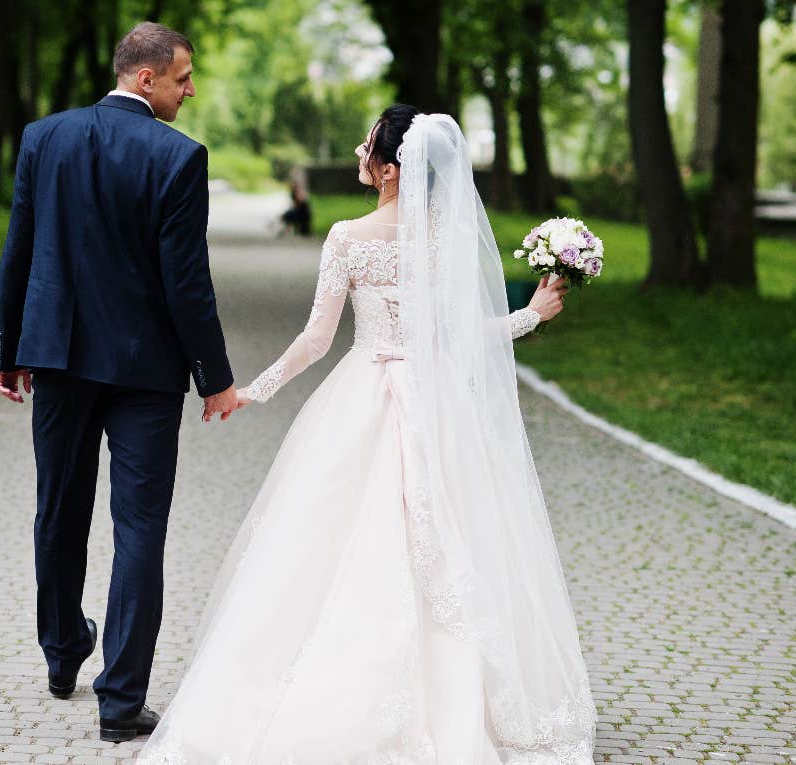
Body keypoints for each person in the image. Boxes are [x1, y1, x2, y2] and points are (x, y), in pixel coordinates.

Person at [137, 108, 597, 763]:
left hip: (366, 395)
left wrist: (251, 390)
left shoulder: (348, 237)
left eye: (369, 141)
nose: (358, 147)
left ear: (386, 166)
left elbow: (317, 339)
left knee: (341, 540)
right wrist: (529, 314)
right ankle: (464, 702)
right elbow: (462, 334)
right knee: (452, 542)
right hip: (438, 408)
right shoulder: (444, 238)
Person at [0, 21, 237, 743]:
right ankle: (121, 702)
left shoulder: (44, 138)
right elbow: (187, 282)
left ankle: (63, 652)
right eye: (184, 77)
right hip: (145, 373)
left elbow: (20, 252)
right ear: (145, 79)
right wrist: (214, 377)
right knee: (139, 528)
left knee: (58, 510)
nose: (191, 90)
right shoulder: (179, 158)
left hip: (59, 359)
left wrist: (9, 351)